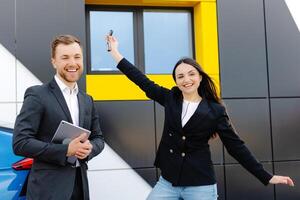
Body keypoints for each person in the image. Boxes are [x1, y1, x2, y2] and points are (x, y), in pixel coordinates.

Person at [106, 36, 294, 200]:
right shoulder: (171, 98)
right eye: (180, 76)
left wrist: (266, 176)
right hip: (168, 182)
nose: (186, 79)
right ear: (176, 82)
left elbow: (236, 146)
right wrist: (115, 52)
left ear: (200, 77)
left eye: (191, 74)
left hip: (200, 185)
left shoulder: (215, 111)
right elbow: (141, 80)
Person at [13, 34, 105, 200]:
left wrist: (90, 149)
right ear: (54, 61)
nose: (72, 63)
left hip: (80, 187)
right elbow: (20, 143)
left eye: (77, 57)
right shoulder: (37, 95)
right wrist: (66, 150)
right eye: (65, 57)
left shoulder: (87, 99)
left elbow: (99, 138)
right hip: (48, 190)